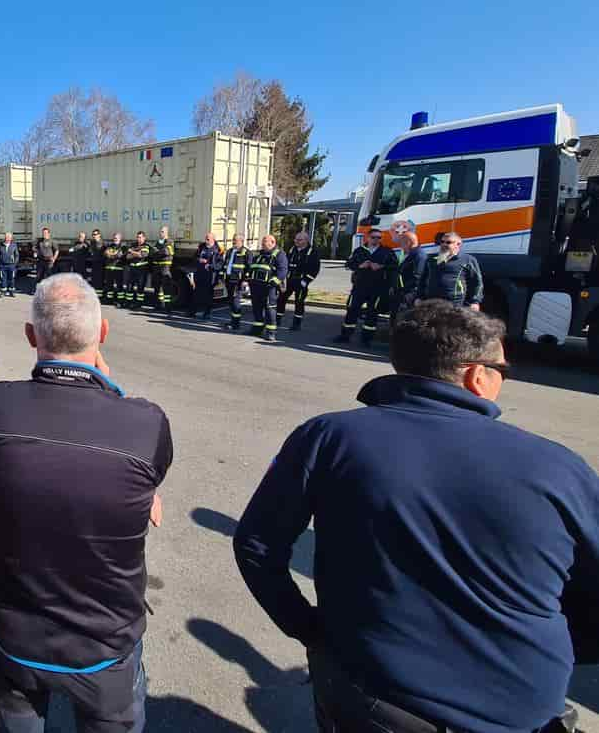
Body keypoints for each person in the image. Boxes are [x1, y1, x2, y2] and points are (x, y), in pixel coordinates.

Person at [233, 300, 599, 733]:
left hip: (372, 697)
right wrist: (550, 653)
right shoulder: (559, 467)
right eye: (504, 369)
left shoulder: (328, 437)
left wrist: (311, 631)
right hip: (519, 711)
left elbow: (257, 545)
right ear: (476, 376)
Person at [0, 273, 172, 733]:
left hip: (15, 630)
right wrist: (105, 381)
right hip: (105, 644)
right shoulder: (144, 423)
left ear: (29, 336)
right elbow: (135, 467)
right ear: (102, 335)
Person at [335, 229, 398, 346]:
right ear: (368, 238)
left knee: (372, 313)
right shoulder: (359, 251)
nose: (376, 240)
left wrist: (381, 266)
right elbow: (349, 264)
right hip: (360, 286)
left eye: (379, 238)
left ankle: (366, 339)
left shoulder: (387, 251)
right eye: (374, 237)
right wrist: (360, 265)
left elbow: (394, 267)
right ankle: (345, 335)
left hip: (377, 288)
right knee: (352, 309)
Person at [416, 231, 484, 309]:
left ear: (458, 244)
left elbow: (477, 282)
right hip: (432, 303)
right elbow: (422, 280)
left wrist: (475, 301)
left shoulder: (468, 260)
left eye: (448, 242)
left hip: (455, 305)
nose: (444, 244)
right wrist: (419, 297)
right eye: (442, 242)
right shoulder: (431, 260)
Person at [276, 231, 321, 331]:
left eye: (299, 240)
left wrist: (306, 281)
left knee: (299, 302)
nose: (296, 241)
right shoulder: (292, 249)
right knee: (281, 299)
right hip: (289, 280)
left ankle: (296, 324)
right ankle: (277, 319)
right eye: (295, 239)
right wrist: (282, 279)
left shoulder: (312, 252)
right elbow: (285, 264)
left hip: (301, 281)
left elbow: (315, 269)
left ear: (306, 240)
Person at [247, 234, 288, 341]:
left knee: (270, 309)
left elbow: (282, 271)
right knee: (257, 308)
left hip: (269, 288)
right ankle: (257, 328)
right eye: (262, 241)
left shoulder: (279, 254)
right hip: (256, 287)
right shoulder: (259, 254)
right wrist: (248, 280)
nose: (262, 243)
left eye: (265, 241)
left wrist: (273, 283)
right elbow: (252, 267)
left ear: (272, 242)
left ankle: (271, 332)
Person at [388, 231, 422, 323]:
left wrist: (403, 291)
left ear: (408, 242)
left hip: (407, 294)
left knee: (403, 320)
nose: (399, 245)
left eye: (401, 243)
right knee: (395, 318)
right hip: (400, 292)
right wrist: (394, 286)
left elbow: (417, 277)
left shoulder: (419, 256)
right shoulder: (408, 254)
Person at [190, 232, 223, 319]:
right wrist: (199, 260)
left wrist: (210, 265)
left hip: (210, 276)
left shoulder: (217, 250)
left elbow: (220, 264)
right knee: (196, 292)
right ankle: (193, 311)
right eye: (206, 238)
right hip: (200, 273)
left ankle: (207, 313)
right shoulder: (201, 247)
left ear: (213, 239)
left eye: (208, 239)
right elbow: (194, 258)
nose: (206, 240)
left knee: (208, 295)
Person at [222, 234, 250, 330]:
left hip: (238, 282)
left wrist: (245, 280)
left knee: (235, 302)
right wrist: (222, 276)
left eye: (236, 240)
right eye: (233, 240)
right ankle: (233, 321)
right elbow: (225, 265)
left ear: (242, 241)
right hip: (228, 280)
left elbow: (249, 268)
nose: (233, 242)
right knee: (231, 301)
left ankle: (235, 324)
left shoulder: (246, 252)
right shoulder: (230, 251)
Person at [151, 225, 176, 312]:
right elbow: (152, 252)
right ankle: (159, 305)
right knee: (157, 288)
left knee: (167, 288)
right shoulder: (158, 242)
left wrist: (158, 251)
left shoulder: (170, 241)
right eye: (160, 231)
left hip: (165, 268)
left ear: (166, 232)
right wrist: (159, 252)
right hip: (157, 267)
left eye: (163, 231)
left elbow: (167, 252)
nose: (161, 233)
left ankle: (168, 307)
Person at [125, 231, 152, 309]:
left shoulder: (146, 246)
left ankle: (139, 304)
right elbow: (128, 257)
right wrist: (136, 253)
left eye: (140, 237)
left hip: (142, 270)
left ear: (144, 238)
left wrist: (132, 252)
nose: (139, 239)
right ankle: (129, 303)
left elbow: (142, 255)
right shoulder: (133, 245)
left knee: (140, 288)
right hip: (133, 269)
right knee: (129, 286)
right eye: (138, 237)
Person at [102, 233, 125, 306]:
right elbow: (106, 254)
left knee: (119, 287)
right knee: (109, 286)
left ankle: (120, 301)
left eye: (117, 238)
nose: (115, 239)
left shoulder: (122, 247)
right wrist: (114, 255)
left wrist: (112, 254)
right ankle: (109, 300)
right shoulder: (110, 246)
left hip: (118, 269)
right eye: (114, 238)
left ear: (120, 238)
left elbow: (119, 255)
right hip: (109, 269)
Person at [0, 232, 19, 298]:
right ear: (5, 238)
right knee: (3, 279)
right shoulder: (1, 245)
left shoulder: (14, 245)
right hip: (2, 265)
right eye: (6, 237)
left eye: (9, 237)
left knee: (11, 279)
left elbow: (17, 255)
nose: (7, 238)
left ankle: (12, 292)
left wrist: (14, 263)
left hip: (11, 265)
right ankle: (3, 292)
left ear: (11, 238)